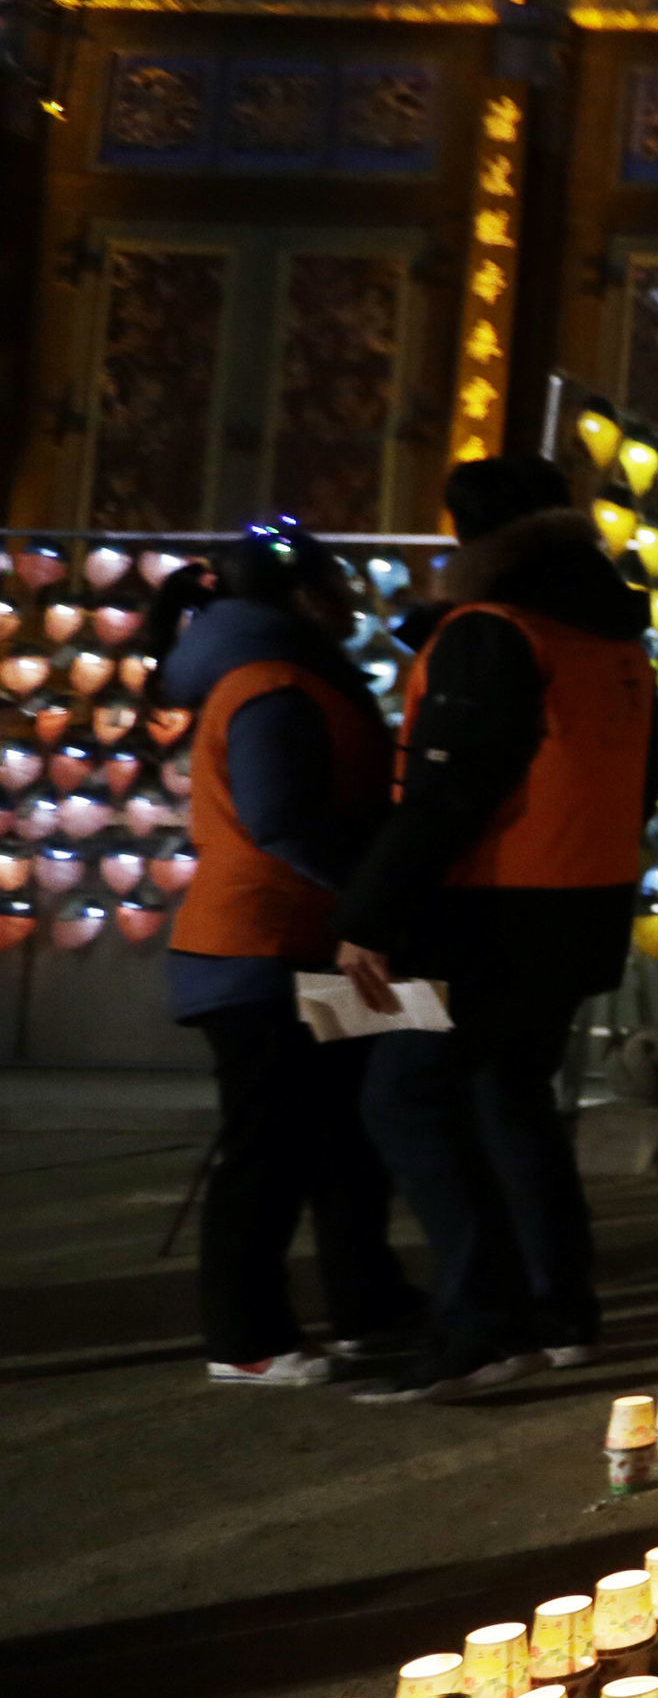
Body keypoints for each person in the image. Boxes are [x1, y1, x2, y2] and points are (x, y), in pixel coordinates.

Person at [334, 457, 651, 1403]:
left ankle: (480, 1325)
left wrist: (366, 918)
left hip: (482, 912)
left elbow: (447, 792)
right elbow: (644, 788)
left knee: (402, 1099)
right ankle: (559, 1311)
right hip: (579, 909)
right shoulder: (615, 641)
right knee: (509, 1096)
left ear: (470, 538)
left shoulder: (490, 633)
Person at [158, 527, 421, 1386]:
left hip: (321, 944)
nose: (352, 604)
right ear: (305, 599)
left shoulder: (299, 677)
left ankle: (368, 1303)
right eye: (338, 588)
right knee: (268, 1149)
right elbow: (281, 822)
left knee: (353, 1135)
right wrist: (372, 897)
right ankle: (245, 1340)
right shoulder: (271, 685)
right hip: (264, 946)